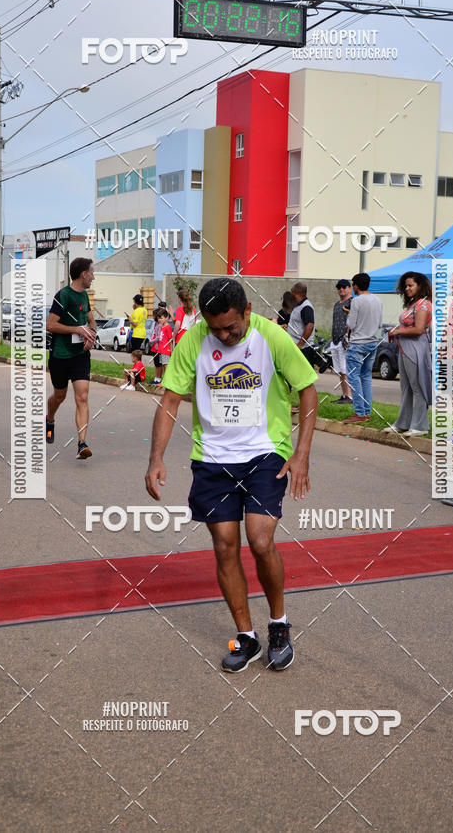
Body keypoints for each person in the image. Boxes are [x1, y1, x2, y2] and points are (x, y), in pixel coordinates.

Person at [145, 278, 318, 673]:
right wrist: (156, 458)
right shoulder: (194, 340)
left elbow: (308, 389)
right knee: (225, 545)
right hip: (213, 458)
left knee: (259, 539)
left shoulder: (272, 337)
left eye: (231, 327)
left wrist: (302, 453)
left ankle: (278, 624)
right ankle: (246, 636)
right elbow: (170, 400)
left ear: (248, 312)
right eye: (215, 328)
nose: (223, 335)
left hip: (265, 452)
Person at [46, 257, 97, 459]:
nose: (94, 277)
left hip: (80, 356)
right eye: (92, 273)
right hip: (60, 355)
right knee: (59, 396)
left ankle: (81, 443)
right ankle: (50, 419)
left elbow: (91, 321)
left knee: (82, 397)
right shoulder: (63, 296)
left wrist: (91, 336)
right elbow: (50, 325)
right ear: (83, 274)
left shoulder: (85, 296)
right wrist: (76, 329)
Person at [386, 272, 432, 437]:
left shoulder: (424, 305)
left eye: (411, 285)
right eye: (405, 286)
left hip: (416, 349)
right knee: (405, 387)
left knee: (417, 387)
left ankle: (420, 425)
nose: (407, 289)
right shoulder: (413, 304)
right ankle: (403, 423)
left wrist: (397, 330)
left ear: (420, 286)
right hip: (404, 348)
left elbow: (419, 329)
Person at [343, 273, 383, 423]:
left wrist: (349, 314)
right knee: (366, 378)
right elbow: (379, 323)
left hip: (358, 343)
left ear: (356, 286)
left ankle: (359, 413)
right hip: (372, 343)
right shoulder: (378, 300)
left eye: (353, 285)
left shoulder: (357, 301)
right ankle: (367, 412)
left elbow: (351, 325)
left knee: (353, 378)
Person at [330, 279, 353, 405]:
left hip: (346, 340)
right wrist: (332, 335)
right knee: (339, 369)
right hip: (336, 340)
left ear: (349, 288)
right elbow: (334, 320)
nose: (341, 289)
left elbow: (355, 318)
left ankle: (349, 395)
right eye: (339, 287)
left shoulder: (352, 302)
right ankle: (344, 394)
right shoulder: (337, 304)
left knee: (345, 369)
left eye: (344, 287)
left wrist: (348, 335)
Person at [287, 282, 317, 365]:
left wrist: (300, 344)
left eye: (292, 292)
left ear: (297, 293)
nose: (291, 295)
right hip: (296, 346)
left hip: (303, 349)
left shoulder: (306, 307)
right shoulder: (298, 306)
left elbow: (310, 325)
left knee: (304, 376)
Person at [156, 307, 173, 378]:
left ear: (166, 318)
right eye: (158, 318)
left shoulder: (168, 327)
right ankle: (164, 379)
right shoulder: (160, 327)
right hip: (161, 349)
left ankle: (168, 379)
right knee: (163, 365)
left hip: (166, 350)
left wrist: (171, 350)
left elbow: (170, 339)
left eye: (161, 318)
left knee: (166, 365)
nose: (159, 320)